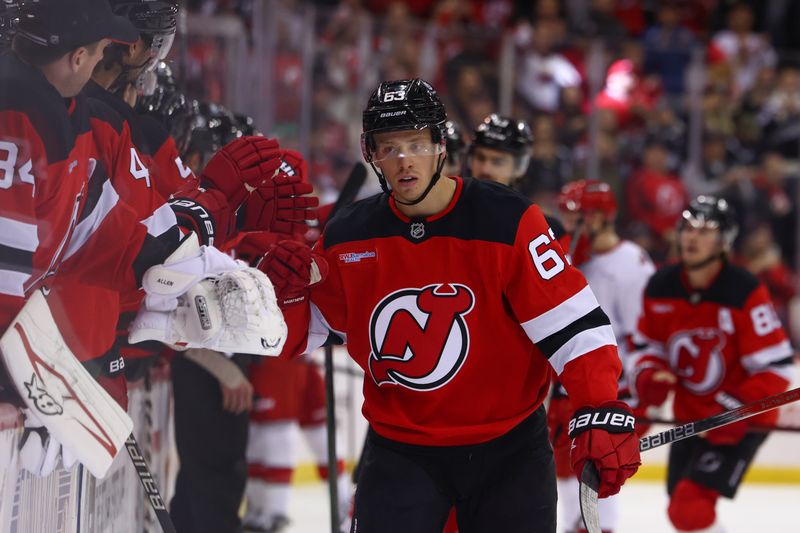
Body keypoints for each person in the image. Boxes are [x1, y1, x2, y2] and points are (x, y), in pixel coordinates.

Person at [260, 78, 640, 533]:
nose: (403, 161)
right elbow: (305, 330)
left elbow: (575, 327)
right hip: (401, 453)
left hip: (509, 451)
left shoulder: (508, 220)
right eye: (389, 147)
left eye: (416, 143)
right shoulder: (349, 236)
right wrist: (274, 292)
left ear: (441, 145)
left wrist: (597, 404)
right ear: (371, 154)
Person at [631, 195, 794, 532]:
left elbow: (777, 368)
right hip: (690, 417)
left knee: (689, 508)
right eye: (687, 228)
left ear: (724, 241)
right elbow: (647, 346)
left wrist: (731, 410)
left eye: (705, 230)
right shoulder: (661, 286)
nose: (692, 237)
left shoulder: (743, 291)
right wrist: (649, 374)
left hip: (741, 422)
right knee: (682, 511)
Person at [549, 180, 656, 533]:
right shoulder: (568, 256)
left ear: (601, 217)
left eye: (577, 218)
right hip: (566, 389)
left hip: (610, 393)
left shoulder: (631, 264)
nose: (570, 225)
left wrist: (640, 392)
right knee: (563, 469)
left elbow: (644, 335)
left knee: (599, 474)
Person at [467, 113, 532, 188]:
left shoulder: (532, 198)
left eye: (497, 162)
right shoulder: (454, 197)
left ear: (519, 167)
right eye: (480, 158)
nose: (485, 169)